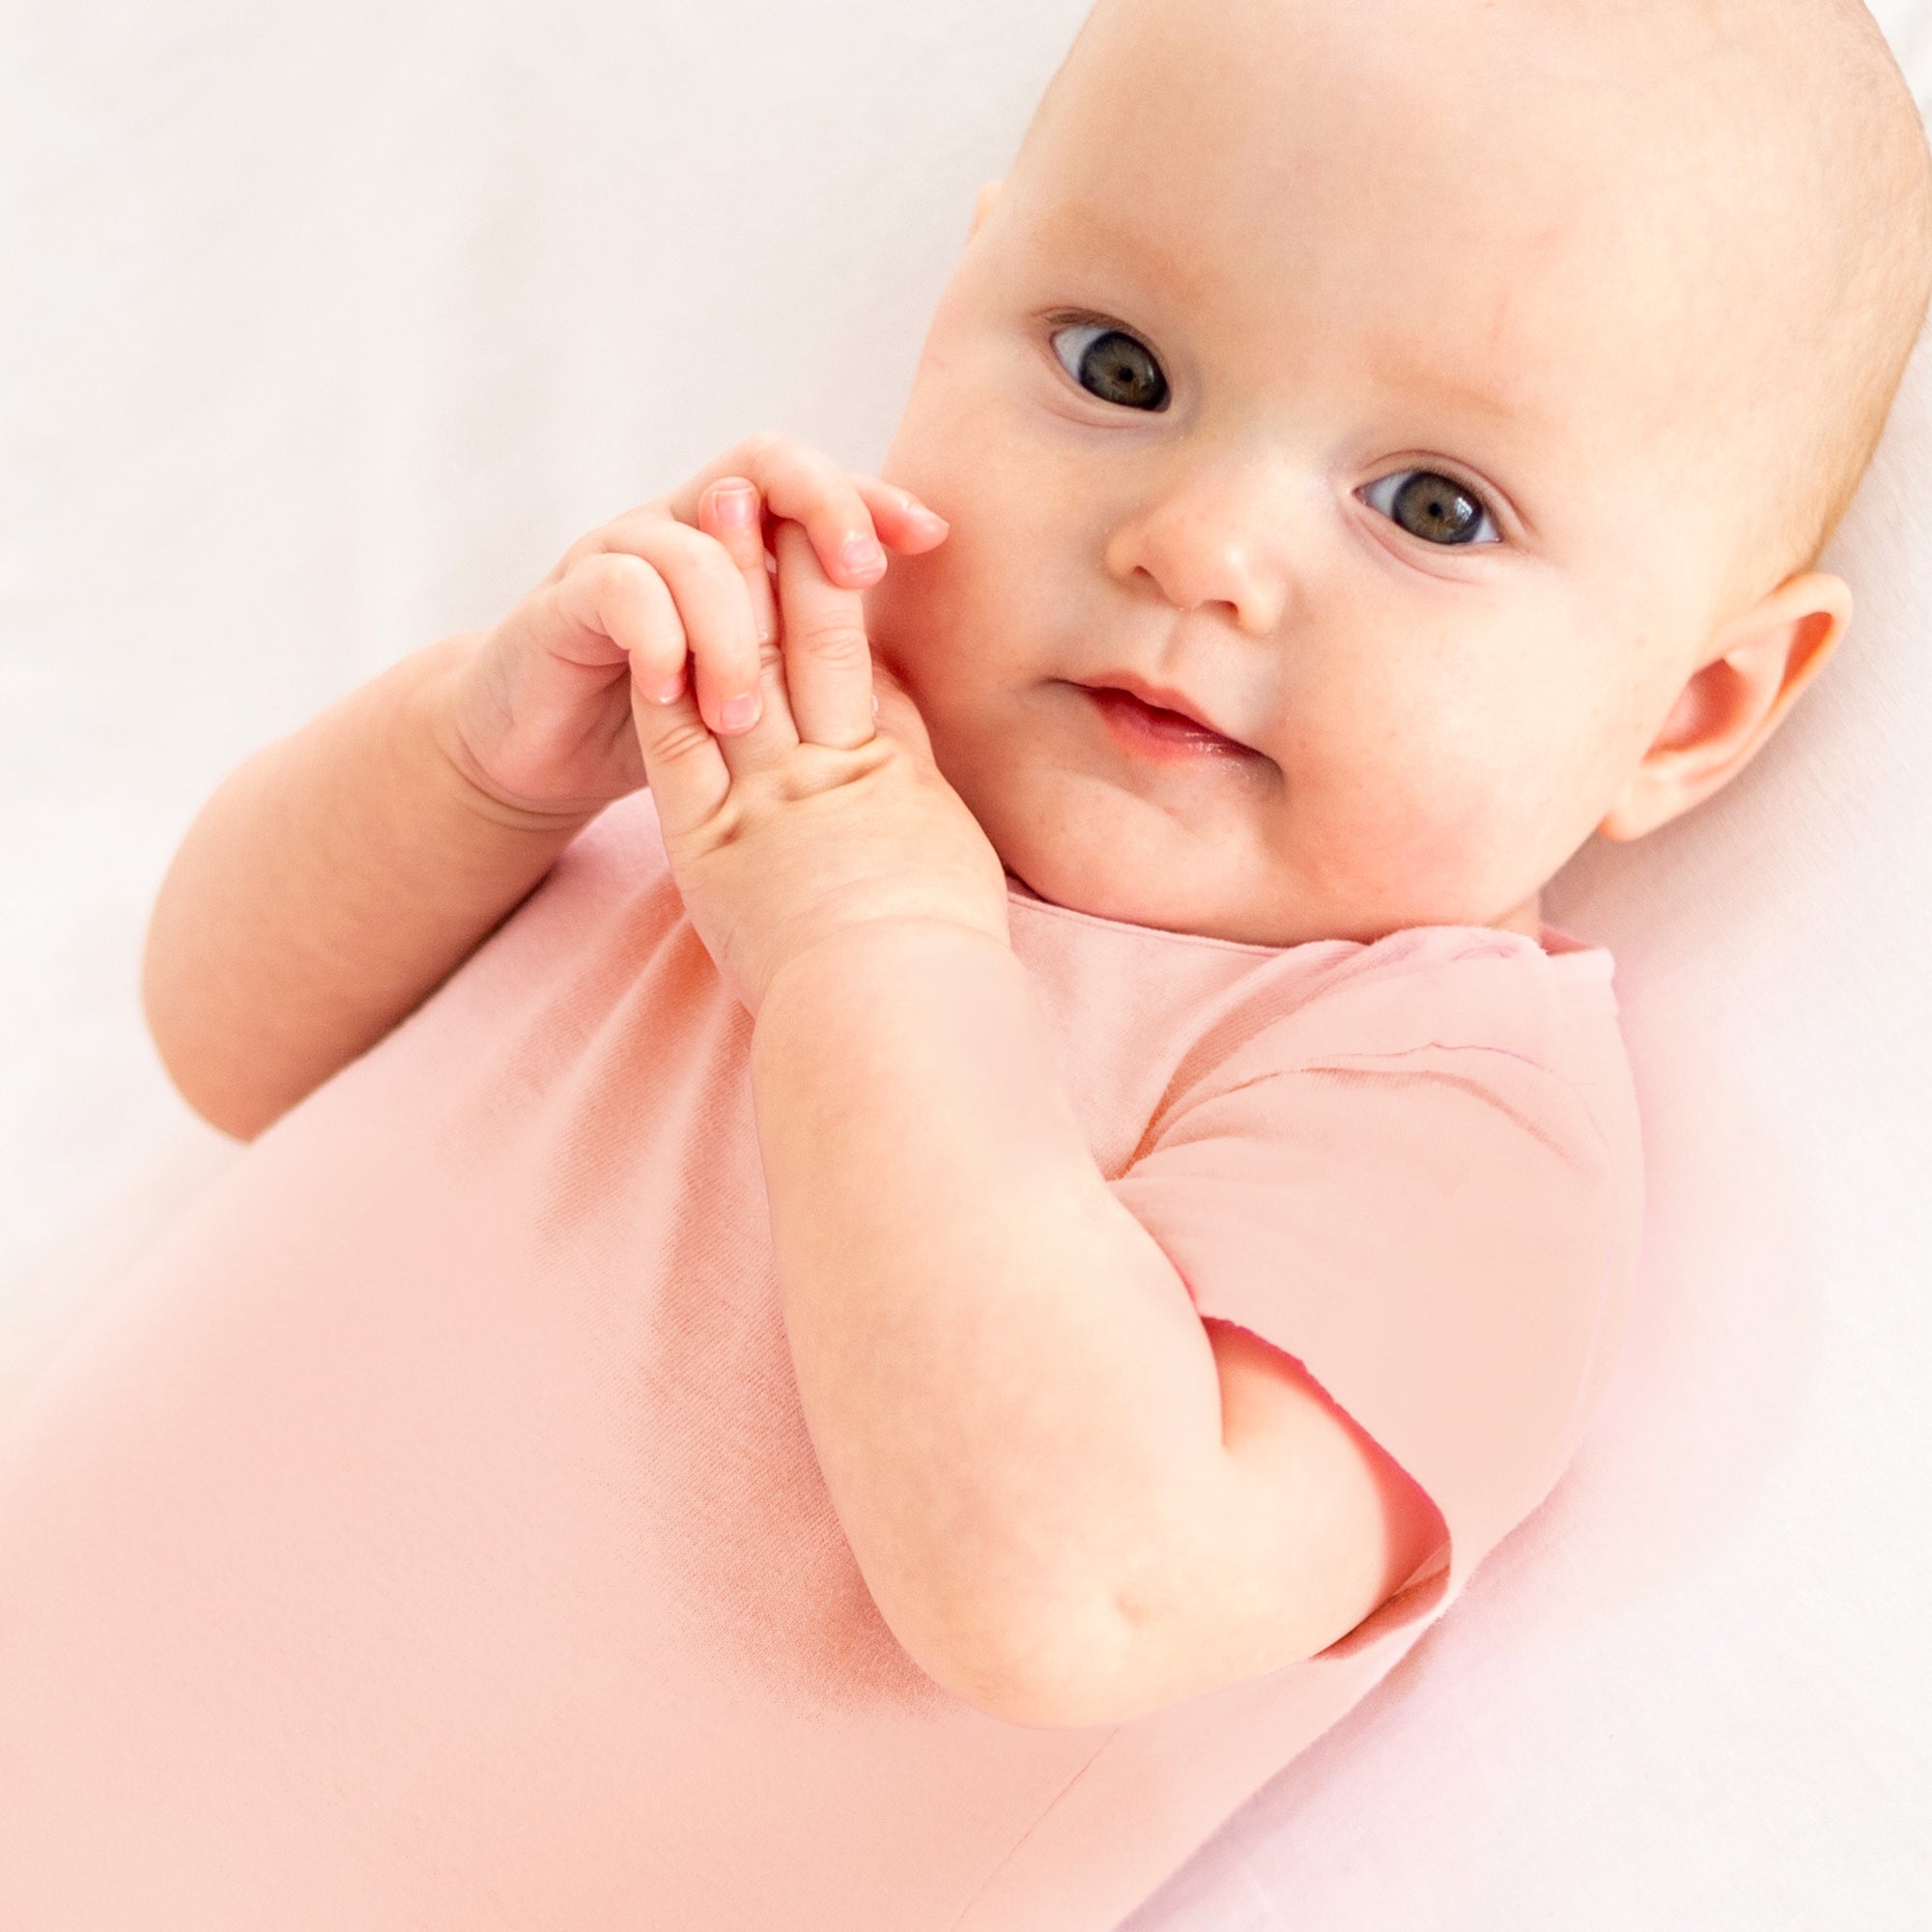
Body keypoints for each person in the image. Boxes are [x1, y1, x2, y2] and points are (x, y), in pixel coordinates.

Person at [4, 0, 1928, 1925]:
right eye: (1116, 365)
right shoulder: (781, 728)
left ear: (1690, 708)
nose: (1197, 546)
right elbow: (228, 1039)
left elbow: (1078, 1588)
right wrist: (470, 757)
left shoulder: (1435, 1089)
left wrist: (865, 937)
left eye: (1432, 506)